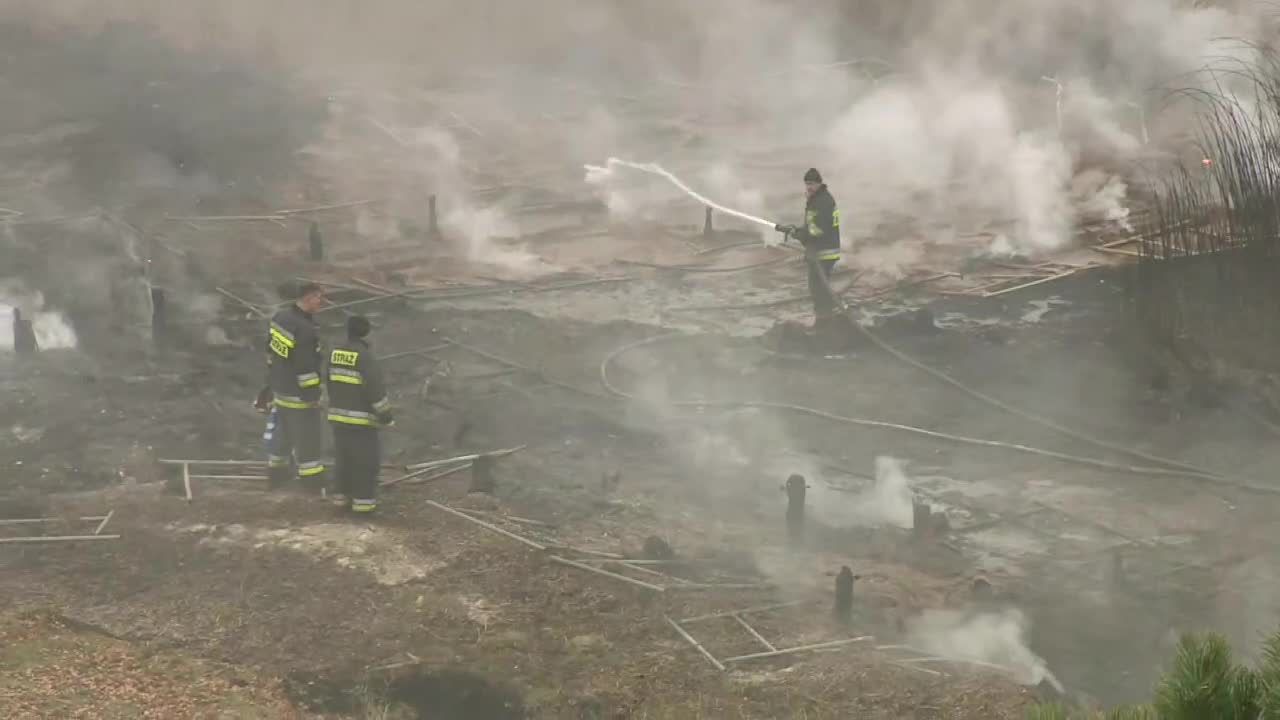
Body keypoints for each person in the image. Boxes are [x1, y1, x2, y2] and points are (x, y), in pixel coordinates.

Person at [325, 315, 394, 513]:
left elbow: (329, 382)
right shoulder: (365, 357)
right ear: (367, 332)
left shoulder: (335, 353)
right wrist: (386, 415)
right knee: (365, 463)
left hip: (338, 419)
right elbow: (375, 390)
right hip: (361, 422)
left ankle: (341, 501)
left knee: (343, 460)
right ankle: (363, 507)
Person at [264, 282, 328, 491]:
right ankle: (312, 481)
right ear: (308, 297)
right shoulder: (305, 330)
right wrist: (312, 394)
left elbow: (271, 350)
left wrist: (272, 379)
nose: (322, 302)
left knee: (283, 433)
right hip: (298, 395)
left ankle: (277, 474)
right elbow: (305, 366)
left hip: (280, 388)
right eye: (319, 297)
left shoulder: (280, 318)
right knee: (308, 437)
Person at [775, 168, 843, 327]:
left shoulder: (821, 202)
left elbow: (816, 231)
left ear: (819, 183)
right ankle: (826, 317)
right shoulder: (820, 199)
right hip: (823, 250)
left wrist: (797, 233)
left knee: (818, 288)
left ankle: (824, 320)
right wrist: (796, 230)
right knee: (820, 286)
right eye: (807, 184)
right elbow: (813, 227)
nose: (809, 188)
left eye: (811, 184)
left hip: (823, 252)